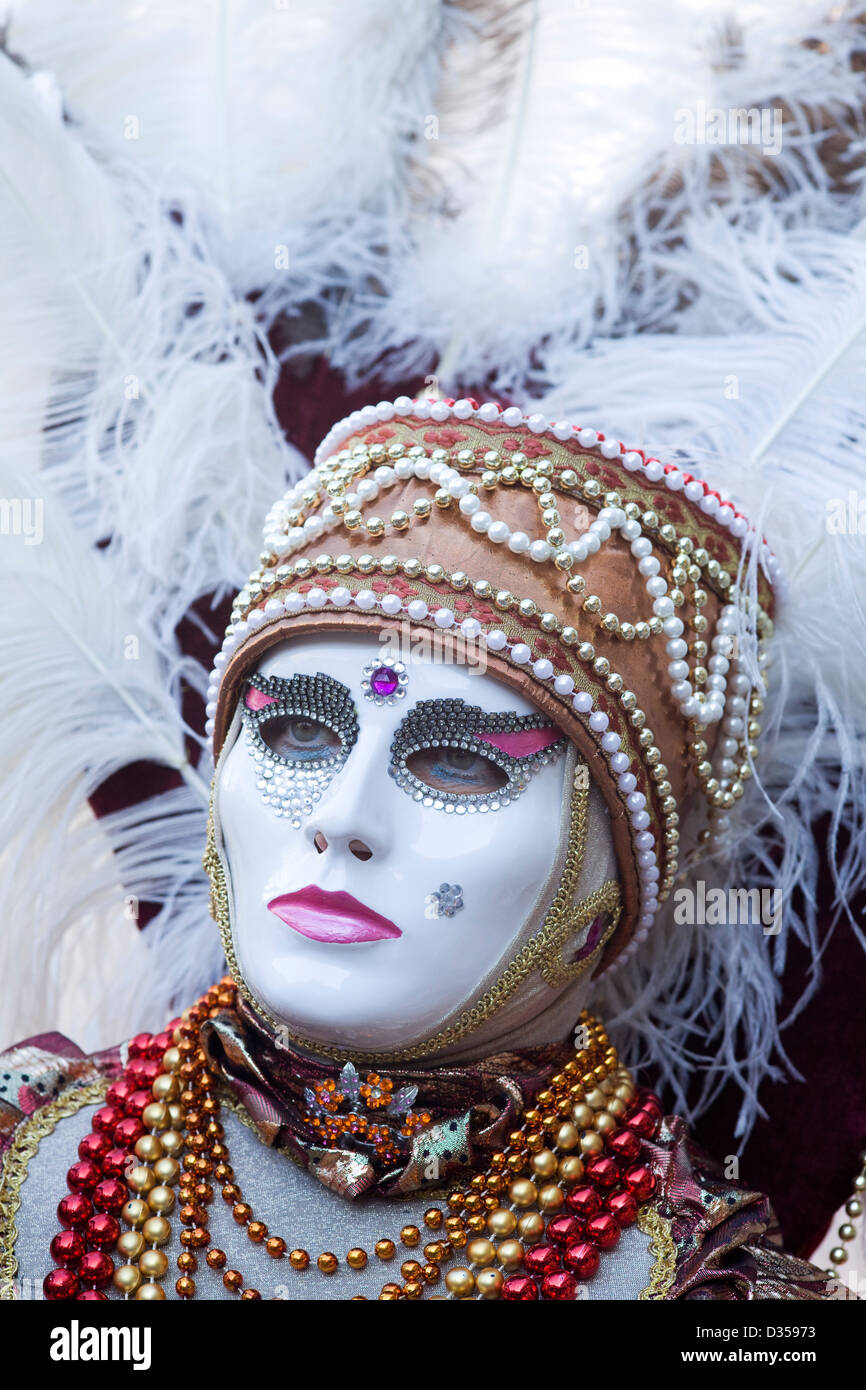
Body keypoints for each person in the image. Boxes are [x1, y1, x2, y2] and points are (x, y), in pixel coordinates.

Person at [1, 400, 851, 1301]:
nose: (343, 817)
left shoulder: (723, 1302)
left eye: (459, 762)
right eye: (295, 733)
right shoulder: (31, 1150)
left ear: (614, 882)